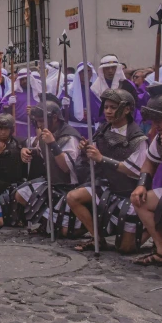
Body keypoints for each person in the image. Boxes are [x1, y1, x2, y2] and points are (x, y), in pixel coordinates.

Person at [65, 84, 147, 253]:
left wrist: (102, 159)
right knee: (73, 197)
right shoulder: (103, 130)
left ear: (126, 110)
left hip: (129, 193)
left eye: (113, 107)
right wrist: (86, 149)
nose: (108, 111)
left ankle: (152, 228)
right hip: (107, 187)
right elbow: (92, 160)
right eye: (107, 107)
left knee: (126, 249)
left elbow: (135, 171)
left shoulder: (137, 138)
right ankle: (97, 238)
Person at [13, 95, 82, 236]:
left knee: (64, 232)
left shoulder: (69, 137)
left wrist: (52, 144)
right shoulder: (46, 133)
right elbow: (38, 149)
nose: (39, 125)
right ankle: (48, 222)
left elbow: (65, 167)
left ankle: (57, 223)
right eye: (37, 122)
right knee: (20, 194)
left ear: (55, 118)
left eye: (41, 121)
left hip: (68, 186)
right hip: (51, 182)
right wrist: (25, 151)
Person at [131, 84, 162, 266]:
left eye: (159, 120)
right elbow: (149, 162)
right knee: (139, 199)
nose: (155, 126)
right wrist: (142, 184)